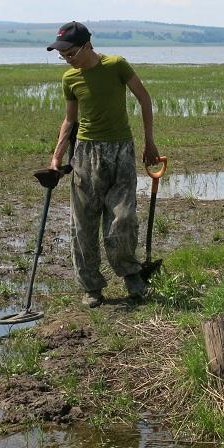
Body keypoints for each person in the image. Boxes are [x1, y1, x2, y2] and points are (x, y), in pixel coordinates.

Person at [47, 21, 159, 307]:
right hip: (85, 155)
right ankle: (91, 287)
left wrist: (149, 142)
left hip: (121, 150)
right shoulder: (69, 79)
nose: (66, 59)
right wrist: (56, 158)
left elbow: (144, 99)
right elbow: (70, 120)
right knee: (83, 224)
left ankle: (131, 275)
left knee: (122, 218)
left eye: (69, 53)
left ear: (86, 46)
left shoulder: (116, 65)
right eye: (61, 55)